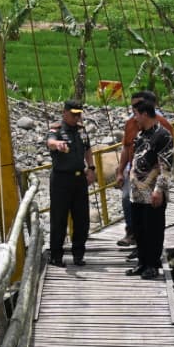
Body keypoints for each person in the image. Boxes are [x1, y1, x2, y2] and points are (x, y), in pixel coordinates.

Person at [115, 90, 172, 247]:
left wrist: (159, 188)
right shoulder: (132, 127)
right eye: (133, 107)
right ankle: (134, 237)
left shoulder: (163, 128)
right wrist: (121, 171)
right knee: (130, 203)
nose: (134, 112)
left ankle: (151, 261)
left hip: (153, 180)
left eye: (137, 107)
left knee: (152, 220)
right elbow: (127, 149)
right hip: (135, 177)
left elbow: (166, 160)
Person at [126, 99, 173, 281]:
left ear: (145, 114)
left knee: (153, 229)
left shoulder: (163, 135)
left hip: (153, 192)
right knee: (139, 229)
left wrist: (159, 190)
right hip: (137, 193)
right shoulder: (140, 136)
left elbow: (166, 166)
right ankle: (142, 262)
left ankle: (152, 265)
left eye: (136, 114)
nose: (134, 119)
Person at [45, 98, 95, 267]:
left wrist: (92, 168)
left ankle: (78, 254)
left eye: (79, 114)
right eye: (73, 115)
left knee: (82, 218)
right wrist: (57, 144)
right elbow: (50, 142)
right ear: (64, 113)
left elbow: (87, 149)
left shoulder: (81, 131)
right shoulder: (57, 130)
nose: (77, 118)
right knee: (59, 218)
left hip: (79, 178)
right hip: (61, 179)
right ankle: (56, 256)